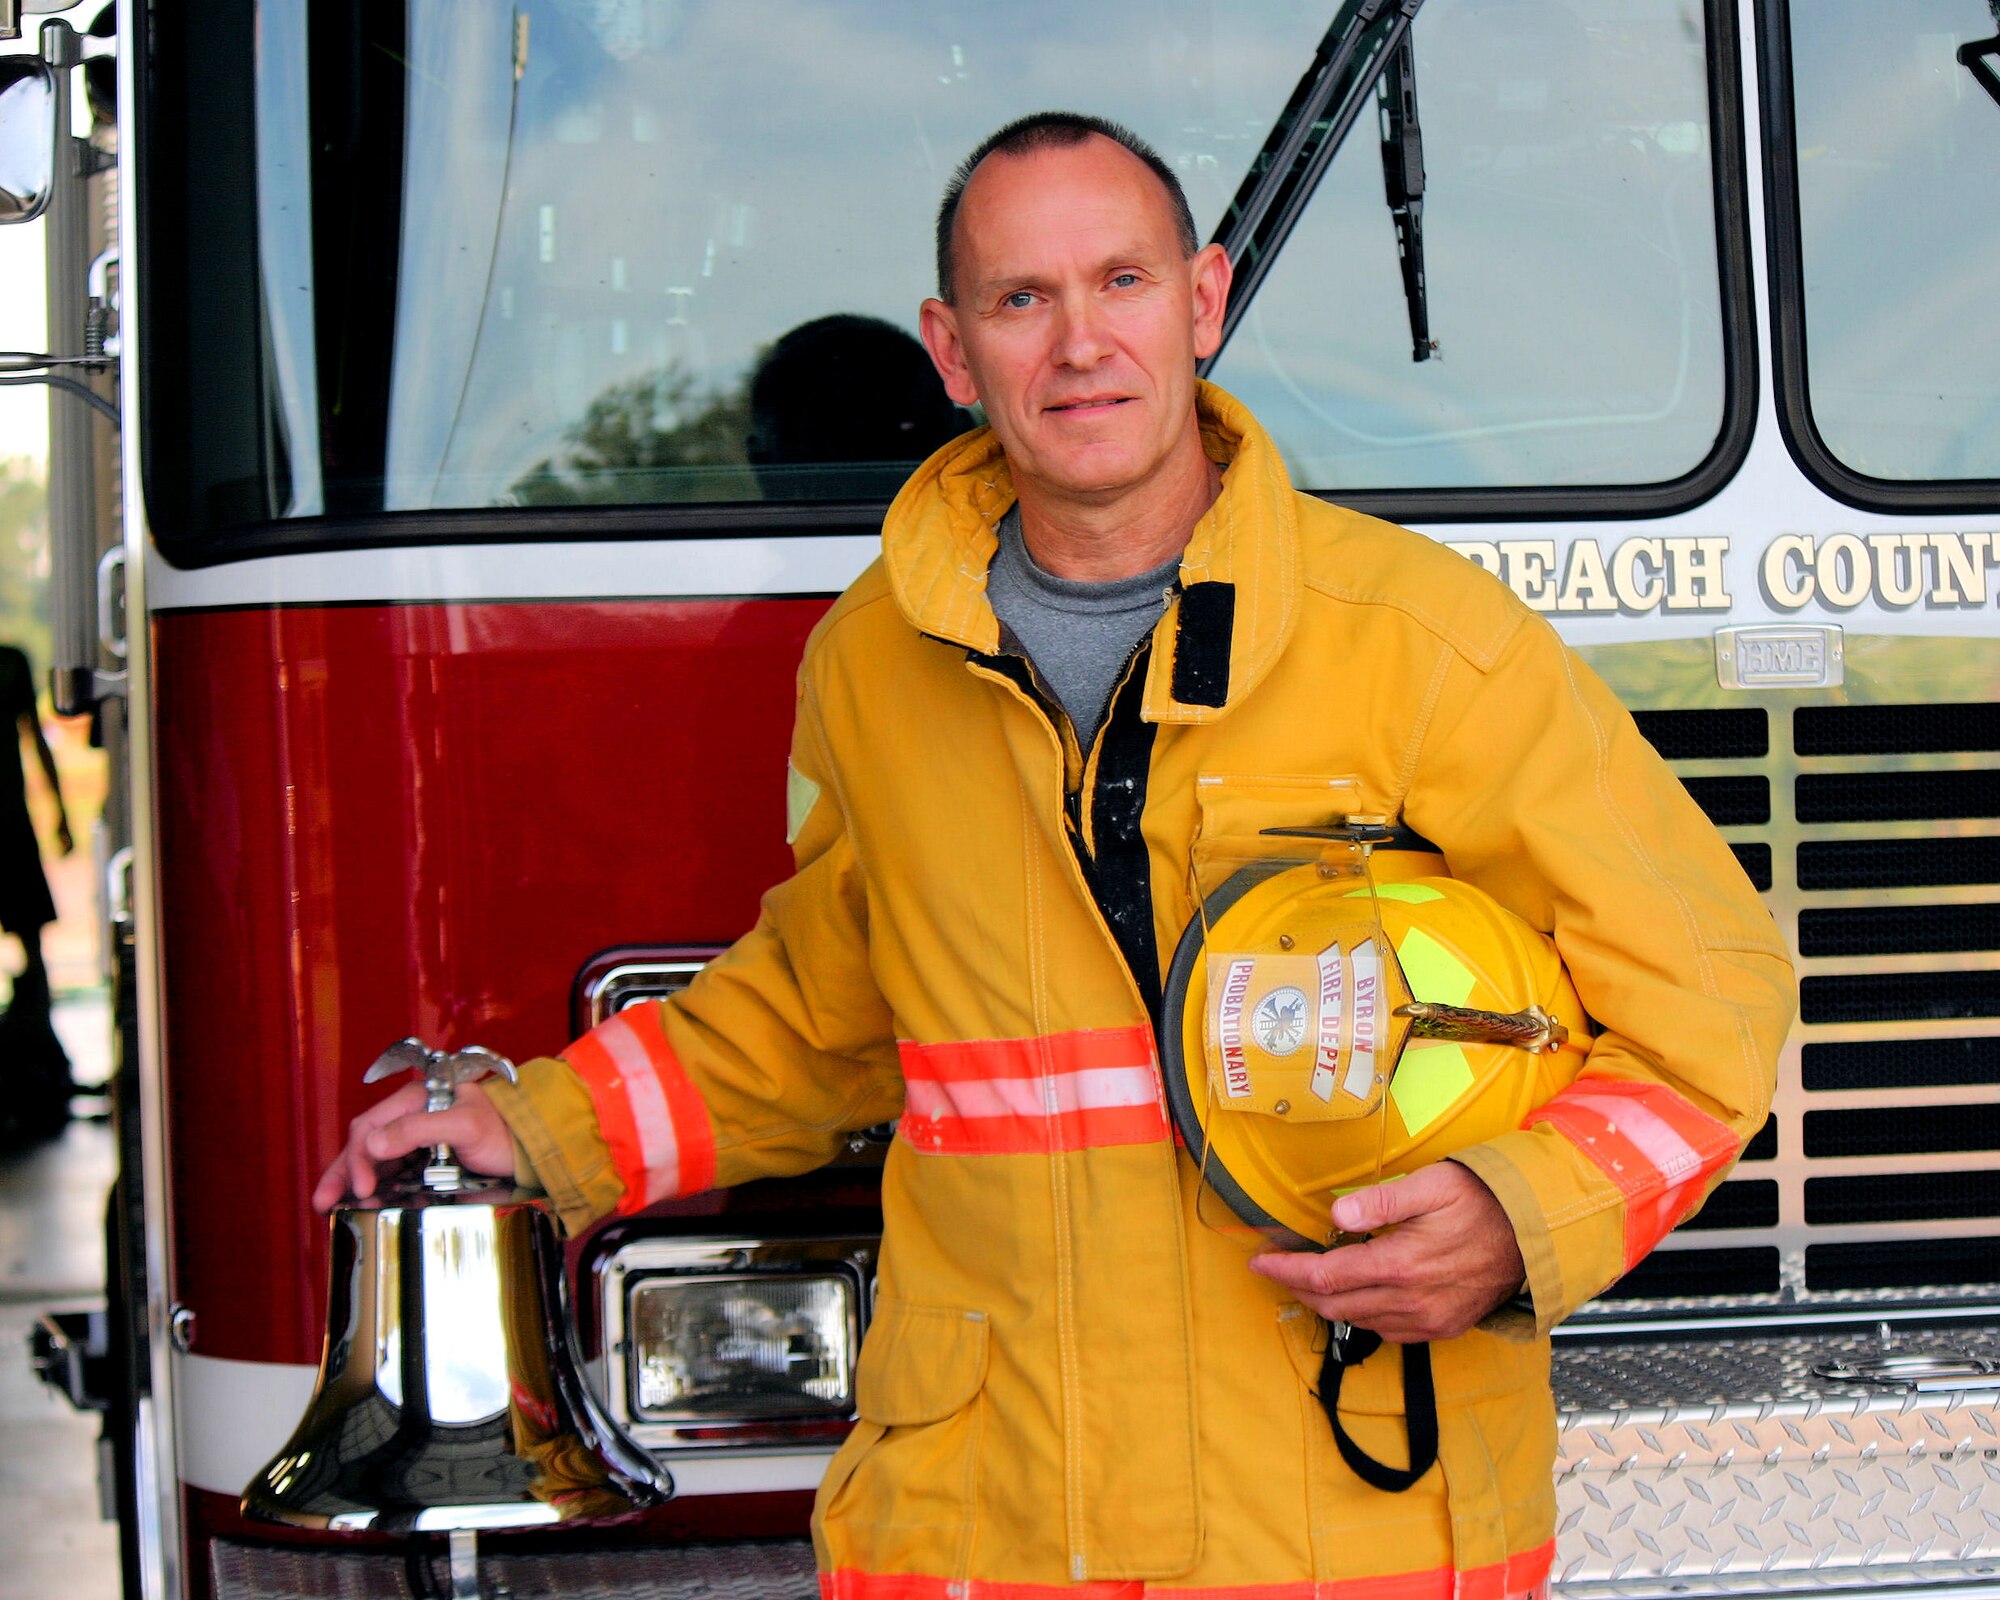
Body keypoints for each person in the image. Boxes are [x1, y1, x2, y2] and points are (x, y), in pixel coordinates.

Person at [318, 113, 1795, 1595]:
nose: (1080, 344)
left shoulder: (1426, 648)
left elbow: (1711, 998)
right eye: (1023, 301)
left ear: (1203, 302)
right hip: (990, 1531)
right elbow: (828, 1011)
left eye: (1123, 284)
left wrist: (1514, 1215)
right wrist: (539, 1134)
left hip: (1342, 1526)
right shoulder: (873, 667)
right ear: (953, 354)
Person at [0, 642, 75, 1146]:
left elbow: (34, 740)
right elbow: (35, 741)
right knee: (33, 948)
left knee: (33, 947)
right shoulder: (11, 663)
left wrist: (60, 812)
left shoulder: (11, 663)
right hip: (10, 821)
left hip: (10, 822)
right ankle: (38, 1063)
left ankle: (37, 1066)